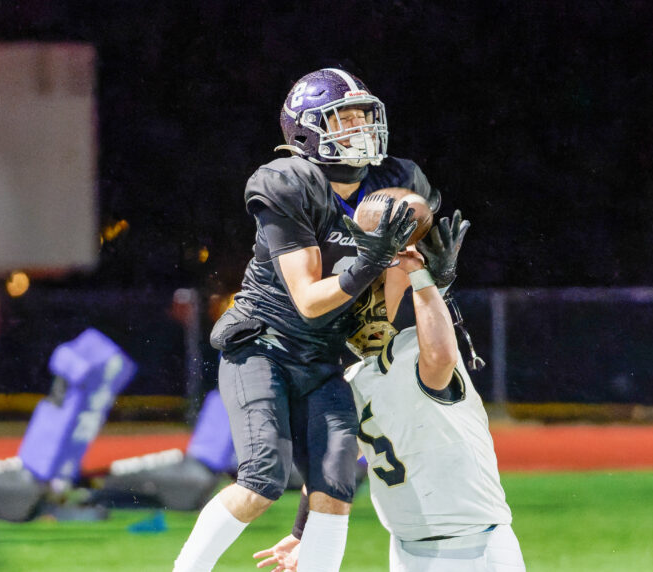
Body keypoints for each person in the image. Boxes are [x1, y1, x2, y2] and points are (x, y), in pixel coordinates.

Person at [173, 68, 440, 572]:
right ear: (305, 130)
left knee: (336, 485)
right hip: (264, 344)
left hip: (324, 356)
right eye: (344, 118)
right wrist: (368, 261)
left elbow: (395, 280)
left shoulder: (398, 182)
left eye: (365, 116)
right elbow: (308, 299)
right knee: (261, 479)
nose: (359, 127)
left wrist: (410, 289)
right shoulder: (288, 182)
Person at [254, 212, 526, 572]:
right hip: (406, 545)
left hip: (472, 543)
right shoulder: (353, 378)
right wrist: (303, 532)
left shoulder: (415, 349)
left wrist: (424, 277)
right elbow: (330, 465)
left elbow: (441, 355)